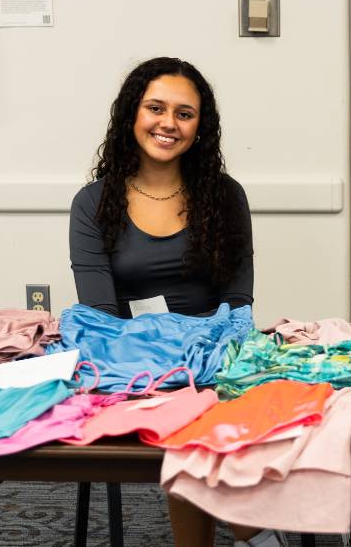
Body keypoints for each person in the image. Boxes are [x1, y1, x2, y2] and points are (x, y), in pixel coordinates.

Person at [69, 57, 282, 547]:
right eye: (156, 108)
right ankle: (256, 537)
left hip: (217, 352)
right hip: (133, 365)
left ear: (200, 128)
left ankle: (254, 535)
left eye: (185, 114)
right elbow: (100, 316)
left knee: (208, 421)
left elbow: (237, 299)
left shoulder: (225, 196)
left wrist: (207, 358)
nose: (169, 123)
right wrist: (166, 365)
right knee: (191, 426)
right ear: (131, 115)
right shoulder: (93, 202)